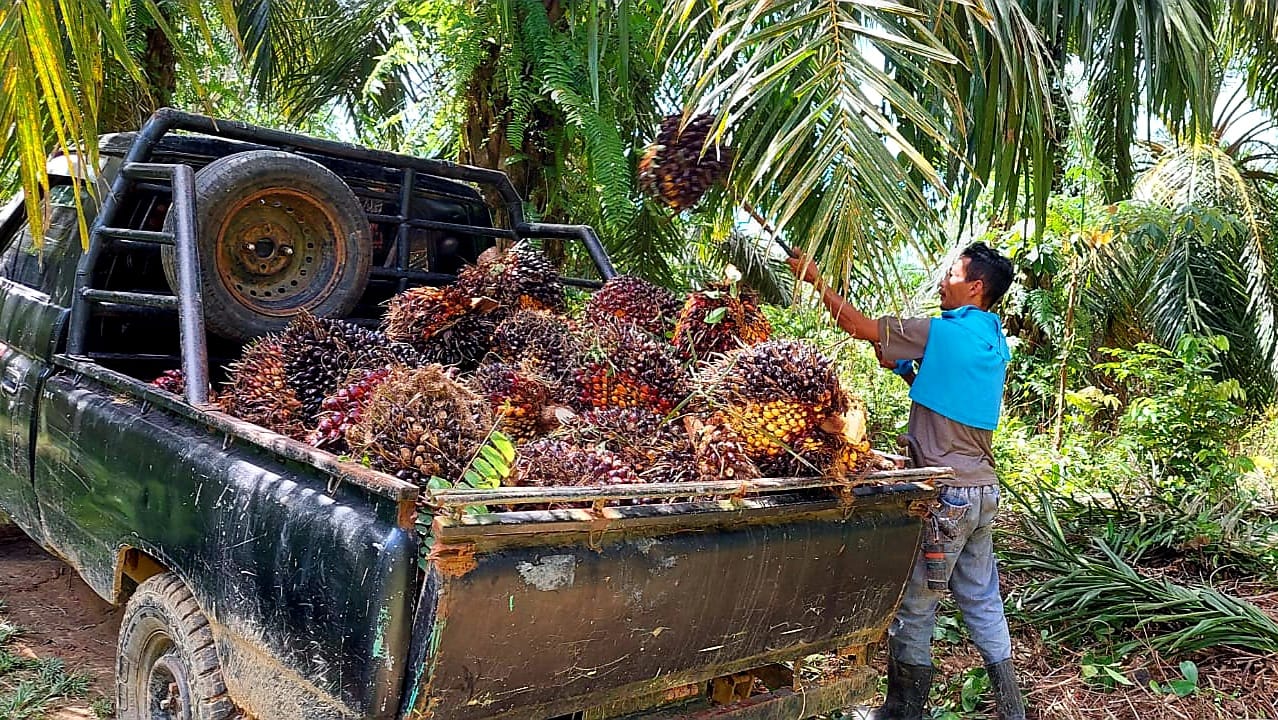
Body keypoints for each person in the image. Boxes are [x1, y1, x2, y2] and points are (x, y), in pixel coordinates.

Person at [787, 243, 1025, 720]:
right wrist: (902, 367)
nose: (942, 280)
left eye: (951, 273)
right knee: (981, 597)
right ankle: (1012, 708)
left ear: (975, 287)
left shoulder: (942, 332)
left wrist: (814, 278)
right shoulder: (992, 341)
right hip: (981, 492)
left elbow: (855, 326)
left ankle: (902, 713)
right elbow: (947, 390)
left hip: (948, 498)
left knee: (915, 606)